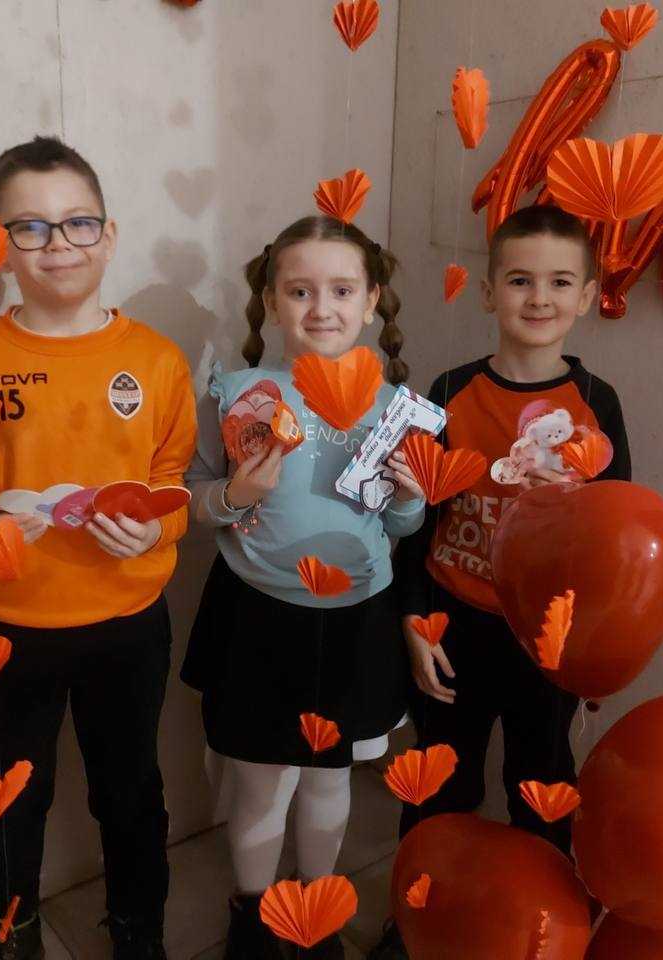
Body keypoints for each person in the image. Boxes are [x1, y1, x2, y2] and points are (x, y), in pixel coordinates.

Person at [0, 136, 196, 960]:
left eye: (77, 222)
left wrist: (156, 527)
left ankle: (139, 933)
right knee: (11, 801)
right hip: (8, 626)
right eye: (29, 227)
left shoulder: (155, 360)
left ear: (108, 235)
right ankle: (10, 937)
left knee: (130, 791)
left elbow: (173, 482)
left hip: (128, 621)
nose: (58, 244)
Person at [369, 204, 631, 960]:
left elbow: (618, 536)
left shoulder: (598, 404)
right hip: (452, 627)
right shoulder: (448, 391)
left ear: (587, 297)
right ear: (487, 292)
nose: (538, 298)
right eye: (519, 280)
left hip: (545, 641)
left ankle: (544, 933)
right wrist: (413, 620)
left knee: (540, 790)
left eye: (559, 282)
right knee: (437, 790)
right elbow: (416, 522)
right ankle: (413, 921)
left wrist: (590, 646)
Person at [182, 215, 425, 959]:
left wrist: (412, 495)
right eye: (300, 291)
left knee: (328, 779)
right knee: (262, 781)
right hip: (259, 617)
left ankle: (314, 907)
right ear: (271, 300)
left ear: (372, 300)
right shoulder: (237, 393)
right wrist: (235, 496)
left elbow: (404, 524)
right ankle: (252, 913)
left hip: (356, 619)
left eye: (342, 290)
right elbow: (192, 497)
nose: (322, 308)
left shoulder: (394, 405)